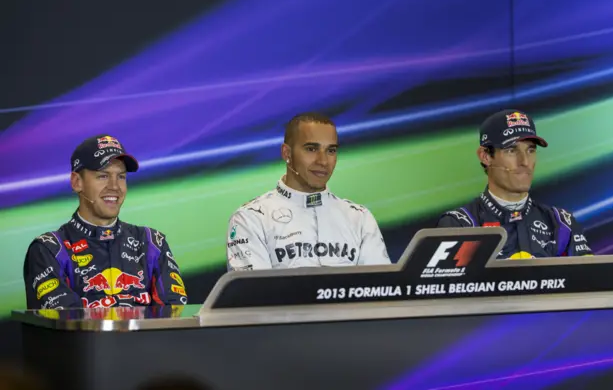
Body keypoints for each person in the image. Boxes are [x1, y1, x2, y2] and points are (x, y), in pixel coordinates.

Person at [23, 135, 188, 309]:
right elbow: (69, 326)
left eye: (121, 177)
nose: (115, 186)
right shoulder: (49, 250)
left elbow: (174, 315)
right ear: (77, 182)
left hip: (146, 338)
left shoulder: (152, 242)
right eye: (103, 176)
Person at [226, 112, 390, 270]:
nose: (323, 161)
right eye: (311, 149)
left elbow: (381, 289)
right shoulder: (251, 218)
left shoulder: (360, 218)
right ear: (287, 153)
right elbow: (253, 295)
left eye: (331, 151)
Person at [436, 109, 593, 259]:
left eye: (530, 150)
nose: (524, 162)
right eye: (511, 150)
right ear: (485, 156)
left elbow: (587, 282)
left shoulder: (562, 223)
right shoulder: (460, 225)